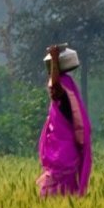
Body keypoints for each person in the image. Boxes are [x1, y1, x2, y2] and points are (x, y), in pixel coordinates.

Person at [37, 44, 93, 197]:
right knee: (65, 192)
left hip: (62, 154)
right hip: (64, 152)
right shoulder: (67, 93)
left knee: (55, 193)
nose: (50, 90)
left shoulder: (62, 96)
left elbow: (55, 86)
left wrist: (55, 59)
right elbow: (55, 86)